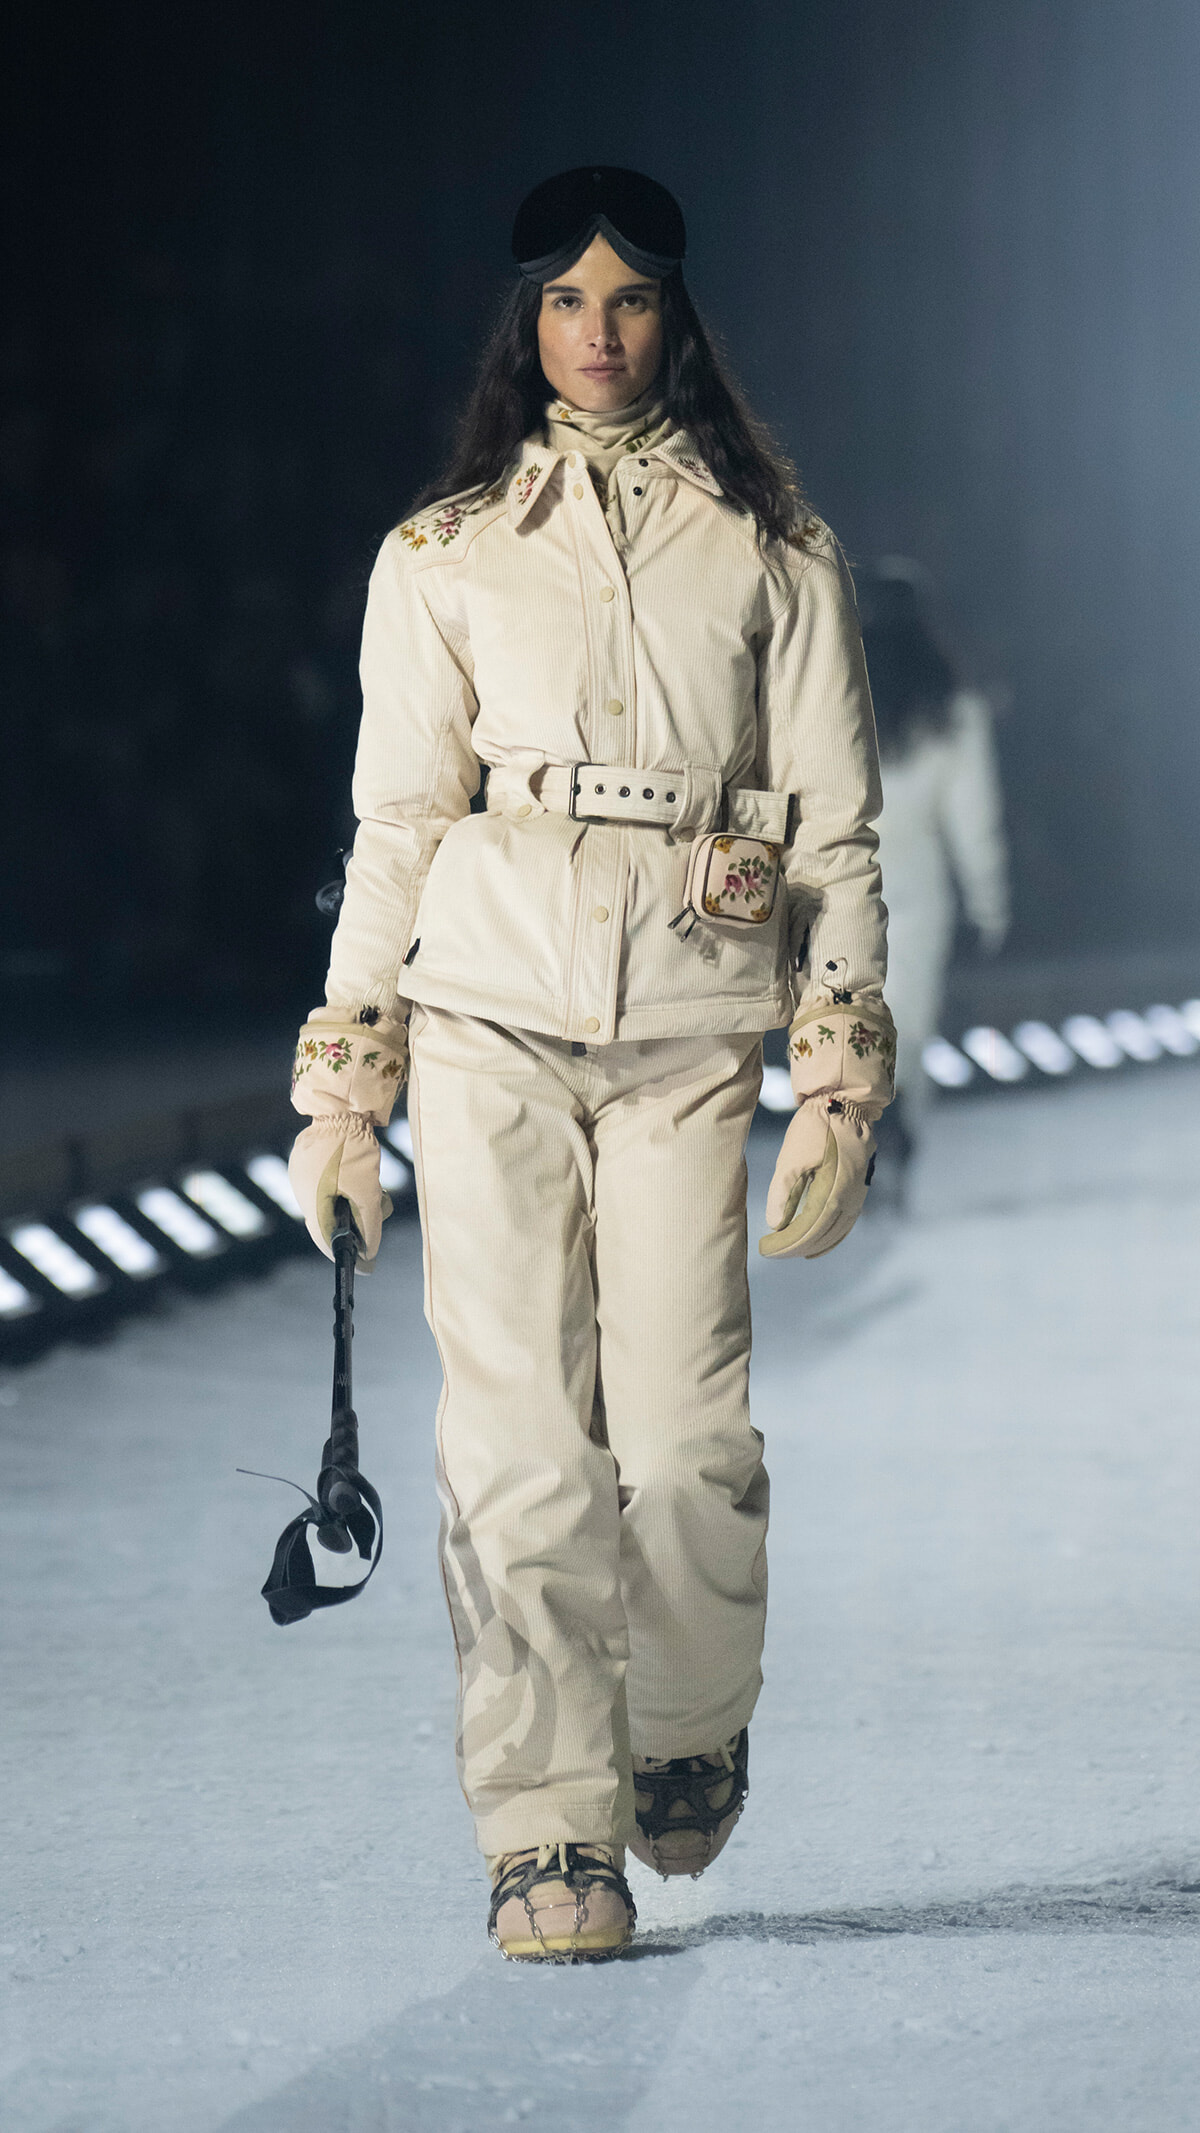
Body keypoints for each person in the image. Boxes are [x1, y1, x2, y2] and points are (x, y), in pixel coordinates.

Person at [287, 166, 895, 1961]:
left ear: (676, 316)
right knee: (524, 1455)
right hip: (484, 1020)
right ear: (526, 323)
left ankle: (687, 1719)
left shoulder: (778, 547)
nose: (600, 333)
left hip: (693, 1031)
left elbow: (839, 833)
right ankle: (547, 1823)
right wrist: (346, 1080)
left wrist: (842, 1065)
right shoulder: (445, 553)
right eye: (567, 302)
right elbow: (394, 825)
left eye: (628, 301)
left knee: (692, 1443)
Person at [859, 563, 1009, 1196]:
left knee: (844, 1022)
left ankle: (854, 1144)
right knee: (907, 1026)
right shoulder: (951, 710)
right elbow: (975, 817)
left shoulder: (834, 696)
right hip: (917, 889)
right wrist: (990, 905)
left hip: (839, 879)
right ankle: (895, 1136)